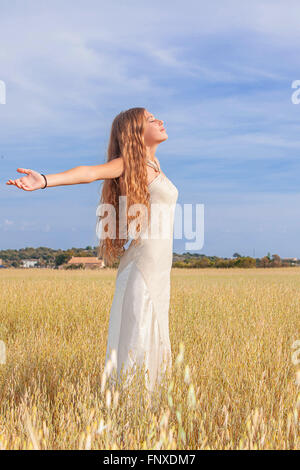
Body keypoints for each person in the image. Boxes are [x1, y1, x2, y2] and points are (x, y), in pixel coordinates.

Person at [6, 107, 178, 394]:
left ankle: (152, 402)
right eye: (150, 119)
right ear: (135, 132)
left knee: (156, 328)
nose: (160, 120)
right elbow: (89, 173)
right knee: (141, 329)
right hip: (143, 266)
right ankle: (133, 405)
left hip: (160, 268)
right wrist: (46, 180)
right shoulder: (129, 163)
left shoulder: (155, 165)